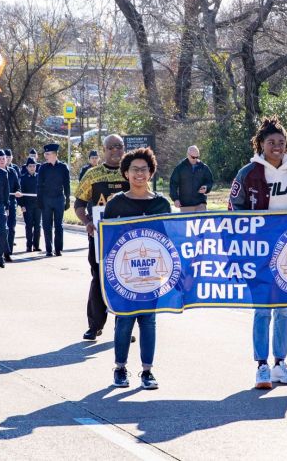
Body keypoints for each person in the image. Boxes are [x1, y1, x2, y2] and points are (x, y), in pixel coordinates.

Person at [229, 115, 287, 390]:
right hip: (257, 250)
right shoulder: (249, 172)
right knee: (262, 310)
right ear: (261, 144)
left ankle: (281, 362)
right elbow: (235, 207)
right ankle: (262, 366)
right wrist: (242, 244)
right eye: (271, 142)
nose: (277, 146)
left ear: (286, 144)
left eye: (281, 142)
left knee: (283, 310)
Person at [104, 147, 171, 389]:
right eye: (134, 170)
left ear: (151, 173)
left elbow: (169, 239)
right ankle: (120, 368)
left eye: (144, 170)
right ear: (125, 174)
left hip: (151, 275)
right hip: (123, 276)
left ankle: (147, 372)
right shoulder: (116, 204)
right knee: (124, 321)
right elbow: (107, 241)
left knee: (148, 321)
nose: (139, 174)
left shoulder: (161, 204)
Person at [74, 134, 129, 341]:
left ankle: (123, 327)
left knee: (124, 280)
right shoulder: (92, 174)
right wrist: (87, 222)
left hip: (126, 238)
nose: (116, 151)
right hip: (100, 237)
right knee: (99, 278)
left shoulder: (130, 172)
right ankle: (95, 325)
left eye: (119, 146)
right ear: (104, 149)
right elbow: (79, 204)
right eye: (111, 147)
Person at [36, 143, 71, 257]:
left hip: (59, 199)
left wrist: (68, 199)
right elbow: (39, 185)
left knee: (58, 225)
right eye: (45, 154)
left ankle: (58, 249)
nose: (46, 156)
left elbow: (67, 184)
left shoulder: (63, 167)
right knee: (47, 225)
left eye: (48, 153)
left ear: (55, 154)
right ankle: (49, 249)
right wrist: (39, 200)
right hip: (46, 199)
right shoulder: (43, 168)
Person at [169, 145, 214, 212]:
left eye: (197, 157)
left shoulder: (204, 167)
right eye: (193, 157)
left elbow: (210, 181)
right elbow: (173, 184)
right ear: (187, 155)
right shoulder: (180, 168)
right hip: (185, 205)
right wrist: (175, 199)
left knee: (201, 222)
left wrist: (206, 187)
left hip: (200, 203)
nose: (195, 159)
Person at [0, 149, 22, 262]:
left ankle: (8, 252)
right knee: (0, 229)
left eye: (4, 159)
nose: (2, 161)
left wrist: (17, 192)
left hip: (11, 203)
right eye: (0, 159)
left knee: (11, 228)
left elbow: (18, 186)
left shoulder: (12, 172)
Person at [19, 157, 41, 252]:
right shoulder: (23, 178)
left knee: (37, 226)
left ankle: (36, 245)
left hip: (38, 205)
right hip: (27, 206)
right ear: (27, 167)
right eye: (30, 166)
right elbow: (20, 193)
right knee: (29, 225)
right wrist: (22, 205)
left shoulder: (39, 177)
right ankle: (29, 245)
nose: (32, 168)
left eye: (34, 166)